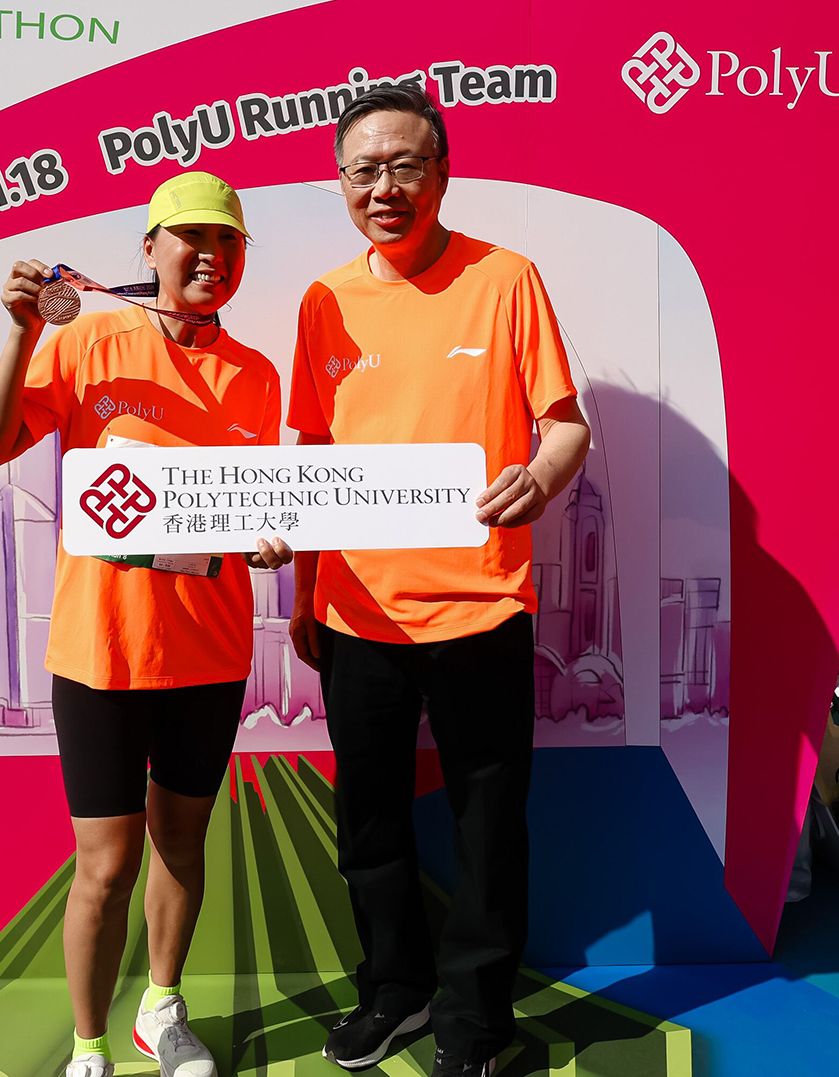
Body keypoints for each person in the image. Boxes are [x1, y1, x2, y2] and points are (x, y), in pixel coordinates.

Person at [287, 85, 591, 1076]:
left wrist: (540, 477)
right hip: (355, 613)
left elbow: (565, 423)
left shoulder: (505, 279)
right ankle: (394, 995)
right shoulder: (323, 301)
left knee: (487, 829)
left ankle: (476, 1025)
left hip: (480, 606)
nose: (385, 186)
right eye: (364, 170)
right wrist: (301, 596)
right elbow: (314, 456)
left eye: (404, 165)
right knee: (367, 825)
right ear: (340, 185)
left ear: (441, 174)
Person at [0, 172, 290, 1077]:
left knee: (182, 843)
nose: (210, 257)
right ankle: (88, 1045)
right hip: (101, 654)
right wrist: (22, 330)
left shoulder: (257, 374)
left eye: (228, 243)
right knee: (104, 868)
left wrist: (268, 542)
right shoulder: (89, 337)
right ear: (149, 249)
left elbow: (245, 510)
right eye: (191, 237)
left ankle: (161, 1008)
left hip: (210, 651)